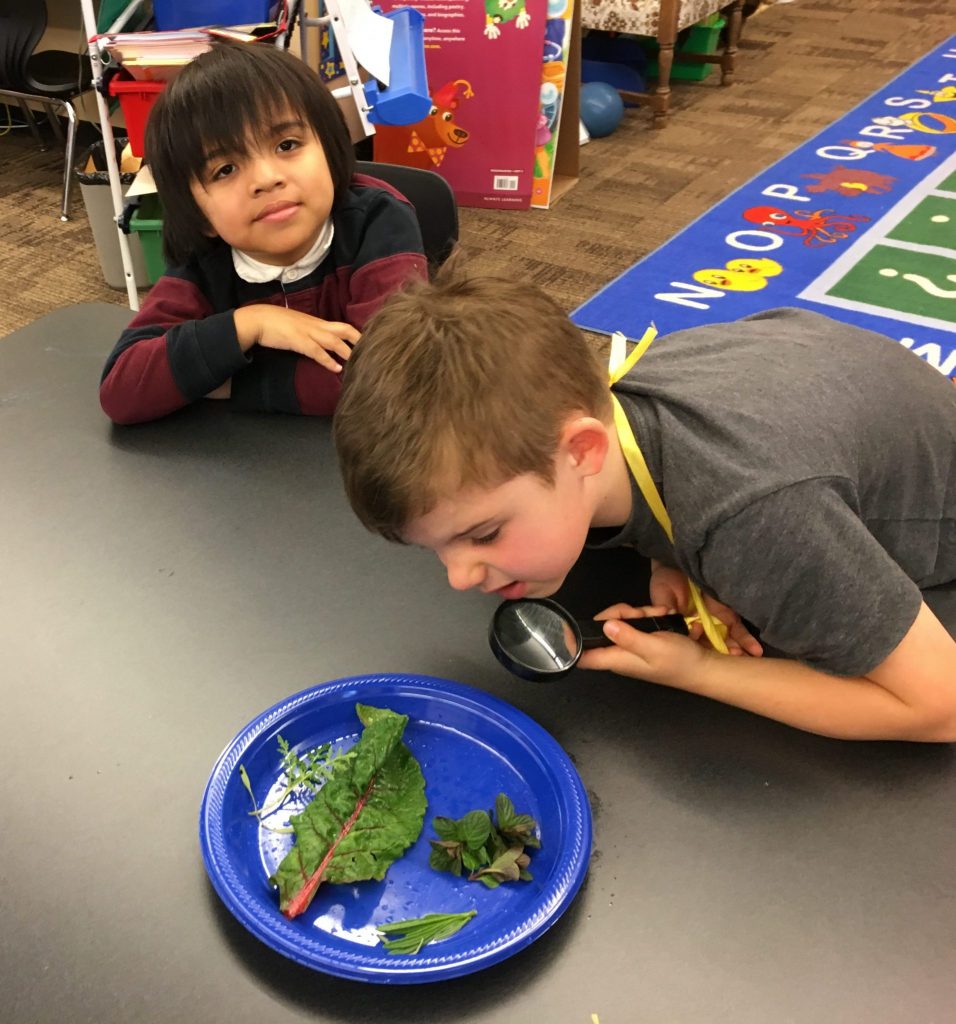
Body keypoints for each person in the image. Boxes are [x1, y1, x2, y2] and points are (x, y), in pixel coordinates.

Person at [333, 262, 956, 743]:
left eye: (485, 533)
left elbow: (940, 704)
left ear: (581, 451)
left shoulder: (756, 517)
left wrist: (701, 673)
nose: (459, 577)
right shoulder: (605, 383)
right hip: (823, 383)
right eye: (435, 547)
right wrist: (670, 555)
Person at [99, 42, 427, 425]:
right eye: (225, 170)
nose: (267, 179)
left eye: (287, 145)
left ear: (329, 146)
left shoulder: (378, 223)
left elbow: (392, 382)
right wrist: (251, 323)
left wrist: (231, 385)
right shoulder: (204, 263)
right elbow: (121, 391)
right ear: (199, 213)